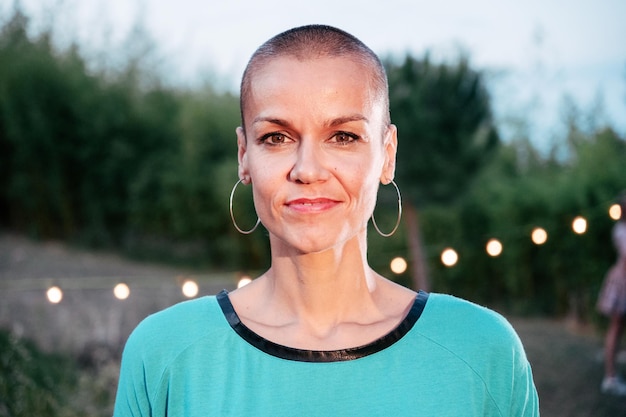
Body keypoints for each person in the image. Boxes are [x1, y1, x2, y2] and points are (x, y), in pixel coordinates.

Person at [113, 24, 539, 416]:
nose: (308, 170)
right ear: (245, 155)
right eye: (276, 137)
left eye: (343, 136)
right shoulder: (165, 354)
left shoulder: (482, 350)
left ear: (387, 154)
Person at [597, 194, 626, 395]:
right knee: (616, 327)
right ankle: (610, 377)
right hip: (623, 282)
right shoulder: (621, 230)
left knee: (617, 328)